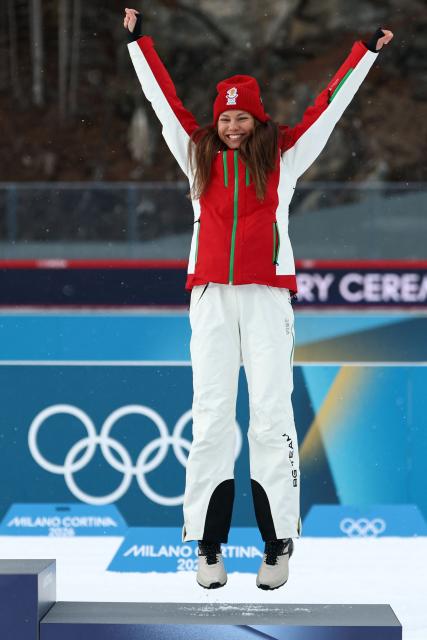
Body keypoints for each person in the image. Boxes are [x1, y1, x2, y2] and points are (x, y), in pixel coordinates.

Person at [124, 7, 393, 590]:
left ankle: (277, 545)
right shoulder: (196, 157)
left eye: (243, 117)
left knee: (272, 420)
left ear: (257, 119)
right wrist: (139, 44)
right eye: (226, 118)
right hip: (212, 301)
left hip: (269, 300)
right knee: (213, 419)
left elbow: (329, 107)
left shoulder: (283, 158)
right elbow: (164, 105)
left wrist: (364, 54)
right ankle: (208, 546)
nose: (233, 127)